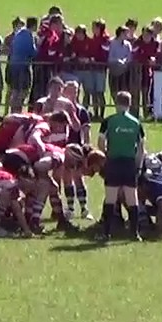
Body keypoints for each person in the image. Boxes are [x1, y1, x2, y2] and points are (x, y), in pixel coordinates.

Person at [97, 90, 146, 241]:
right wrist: (138, 166)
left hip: (113, 162)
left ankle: (106, 233)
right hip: (129, 164)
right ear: (130, 104)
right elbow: (141, 149)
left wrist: (106, 155)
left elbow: (100, 143)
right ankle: (135, 233)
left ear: (116, 103)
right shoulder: (136, 123)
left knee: (110, 198)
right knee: (132, 198)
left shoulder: (108, 121)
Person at [62, 80, 93, 220]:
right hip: (63, 148)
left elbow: (86, 132)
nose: (73, 93)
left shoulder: (82, 111)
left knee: (78, 177)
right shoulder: (61, 110)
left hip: (77, 148)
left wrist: (86, 149)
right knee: (67, 178)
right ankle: (70, 208)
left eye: (75, 91)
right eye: (70, 90)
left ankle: (84, 208)